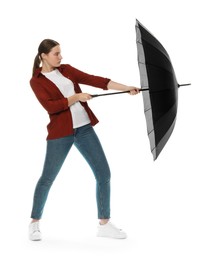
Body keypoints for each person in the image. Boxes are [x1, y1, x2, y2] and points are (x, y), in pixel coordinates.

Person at [29, 39, 139, 241]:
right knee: (47, 178)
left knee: (103, 173)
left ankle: (104, 224)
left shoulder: (66, 69)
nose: (61, 57)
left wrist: (126, 87)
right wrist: (76, 97)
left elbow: (95, 79)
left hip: (84, 129)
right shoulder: (36, 81)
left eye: (60, 53)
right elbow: (51, 107)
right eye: (56, 53)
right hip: (61, 133)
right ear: (43, 56)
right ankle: (34, 223)